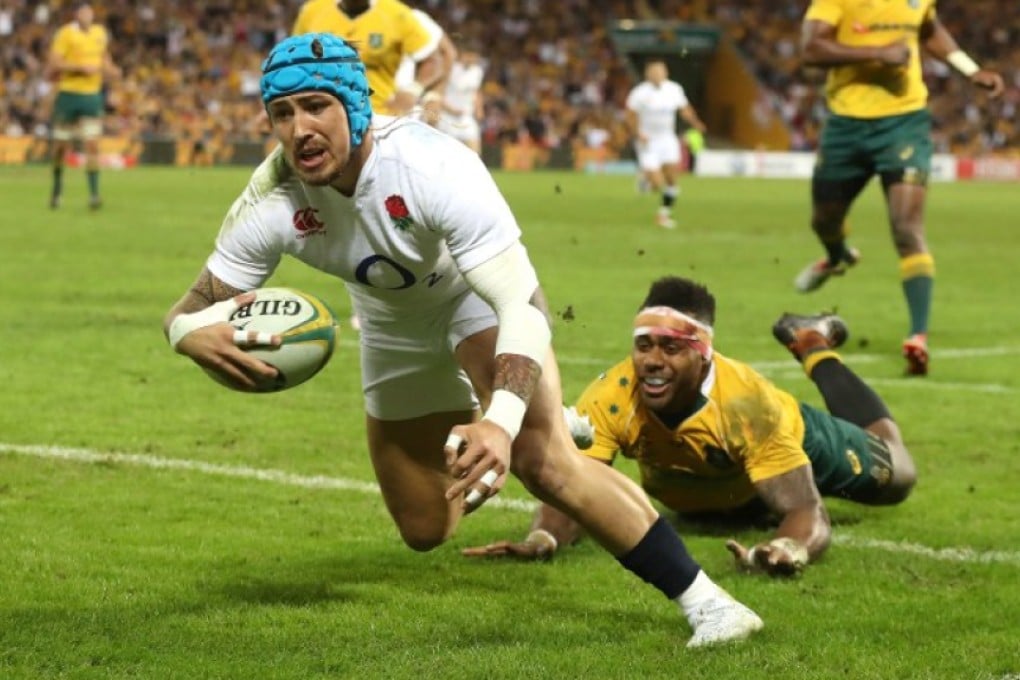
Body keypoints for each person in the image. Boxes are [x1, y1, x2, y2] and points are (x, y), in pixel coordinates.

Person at [162, 34, 762, 648]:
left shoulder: (429, 166)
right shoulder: (272, 198)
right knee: (425, 526)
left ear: (355, 104)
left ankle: (710, 604)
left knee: (543, 463)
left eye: (316, 106)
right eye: (282, 114)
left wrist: (501, 423)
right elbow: (188, 310)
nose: (298, 129)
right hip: (391, 323)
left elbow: (524, 308)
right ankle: (544, 409)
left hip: (471, 300)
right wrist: (188, 336)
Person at [464, 277, 917, 577]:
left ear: (703, 354)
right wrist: (543, 538)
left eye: (671, 348)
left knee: (897, 472)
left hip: (802, 442)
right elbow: (571, 484)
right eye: (644, 346)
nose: (652, 362)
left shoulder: (749, 405)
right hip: (720, 493)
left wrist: (788, 549)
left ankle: (812, 343)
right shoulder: (612, 395)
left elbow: (805, 512)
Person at [794, 0, 1005, 376]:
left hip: (904, 123)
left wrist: (968, 69)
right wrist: (877, 52)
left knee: (907, 228)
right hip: (847, 126)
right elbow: (811, 49)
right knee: (824, 220)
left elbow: (929, 30)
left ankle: (917, 336)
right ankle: (837, 254)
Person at [292, 0, 447, 116]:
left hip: (378, 116)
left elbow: (435, 59)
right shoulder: (312, 12)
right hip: (321, 115)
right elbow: (292, 59)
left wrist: (414, 90)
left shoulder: (397, 14)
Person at [45, 2, 119, 210]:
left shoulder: (99, 33)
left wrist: (112, 70)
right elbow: (54, 63)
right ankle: (57, 190)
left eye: (90, 12)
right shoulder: (65, 34)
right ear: (76, 15)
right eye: (83, 12)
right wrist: (79, 67)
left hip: (91, 96)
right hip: (68, 95)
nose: (87, 15)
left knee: (92, 144)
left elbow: (104, 58)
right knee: (61, 147)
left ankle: (94, 195)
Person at [625, 59, 707, 229]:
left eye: (660, 71)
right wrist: (637, 133)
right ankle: (647, 180)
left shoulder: (674, 89)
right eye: (654, 72)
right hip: (648, 141)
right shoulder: (639, 93)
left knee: (672, 180)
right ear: (647, 74)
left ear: (666, 73)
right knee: (657, 184)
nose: (657, 75)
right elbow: (630, 115)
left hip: (667, 139)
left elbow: (684, 109)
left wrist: (696, 123)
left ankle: (663, 214)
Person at [393, 8, 458, 125]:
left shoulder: (412, 17)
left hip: (403, 100)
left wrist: (435, 95)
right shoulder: (353, 20)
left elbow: (448, 53)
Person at [435, 47, 486, 154]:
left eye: (475, 57)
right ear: (463, 55)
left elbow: (476, 91)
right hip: (447, 116)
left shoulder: (477, 71)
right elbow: (439, 91)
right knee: (443, 151)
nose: (472, 59)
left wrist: (479, 108)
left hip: (466, 115)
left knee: (474, 150)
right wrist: (448, 108)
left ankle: (474, 170)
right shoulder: (450, 69)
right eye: (470, 56)